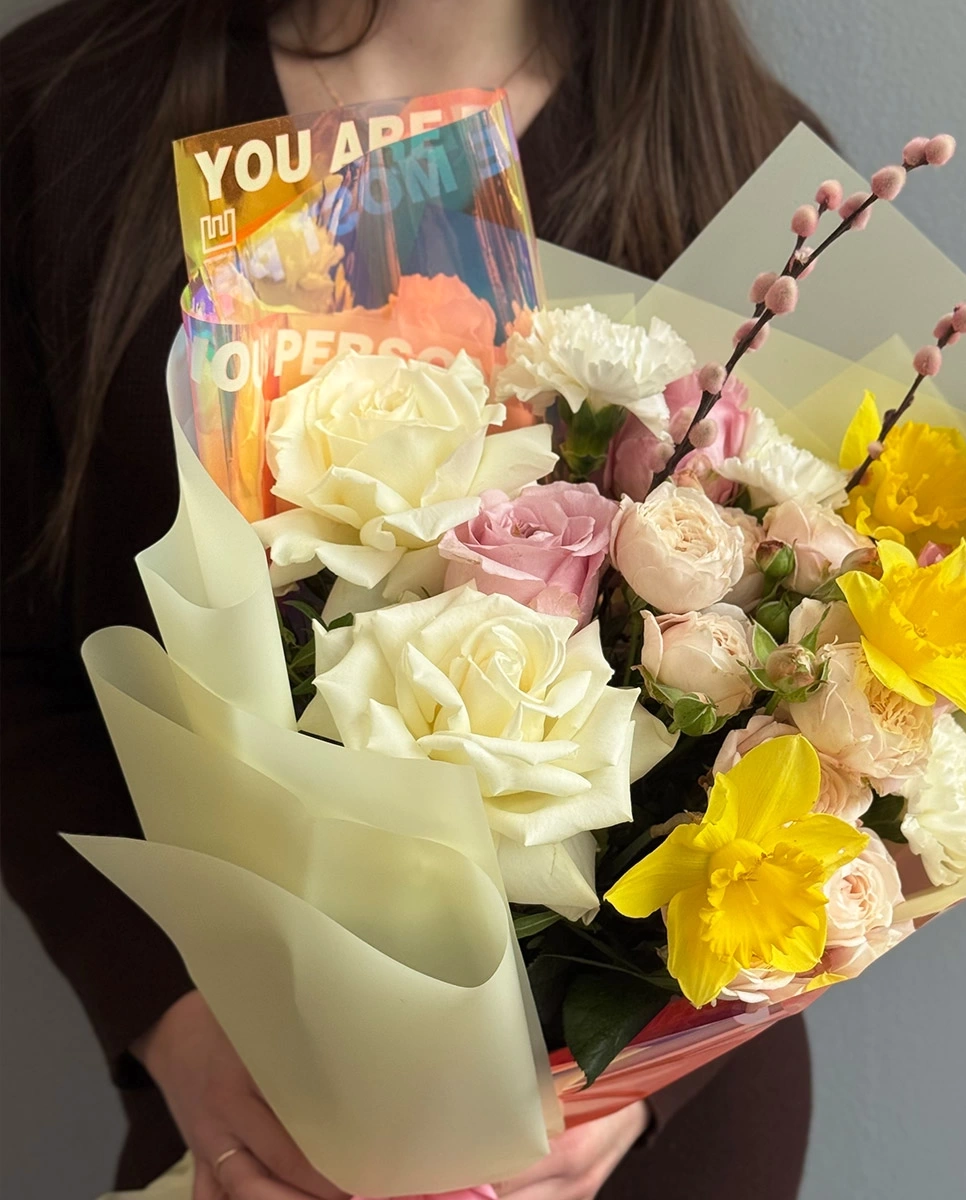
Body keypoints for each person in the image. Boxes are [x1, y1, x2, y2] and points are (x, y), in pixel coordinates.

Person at [1, 2, 829, 1196]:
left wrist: (636, 1081)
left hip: (642, 1149)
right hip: (258, 1128)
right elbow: (15, 662)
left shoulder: (759, 179)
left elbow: (840, 734)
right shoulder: (63, 114)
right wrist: (170, 1018)